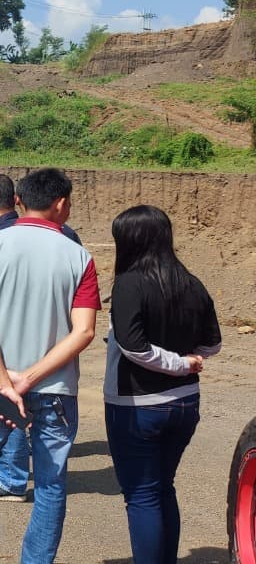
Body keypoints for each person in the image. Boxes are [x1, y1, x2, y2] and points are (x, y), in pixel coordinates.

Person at [0, 168, 100, 564]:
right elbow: (84, 331)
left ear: (19, 201)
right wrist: (30, 379)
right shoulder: (80, 257)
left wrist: (5, 380)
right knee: (52, 482)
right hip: (55, 391)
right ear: (61, 205)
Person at [0, 173, 83, 502]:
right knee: (11, 407)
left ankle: (9, 477)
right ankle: (5, 470)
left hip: (4, 339)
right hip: (39, 343)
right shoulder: (63, 239)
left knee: (10, 405)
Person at [104, 205, 221, 563]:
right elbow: (213, 343)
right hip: (185, 403)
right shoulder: (191, 281)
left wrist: (178, 363)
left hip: (137, 405)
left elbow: (132, 346)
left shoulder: (128, 283)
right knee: (162, 488)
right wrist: (186, 362)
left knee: (141, 495)